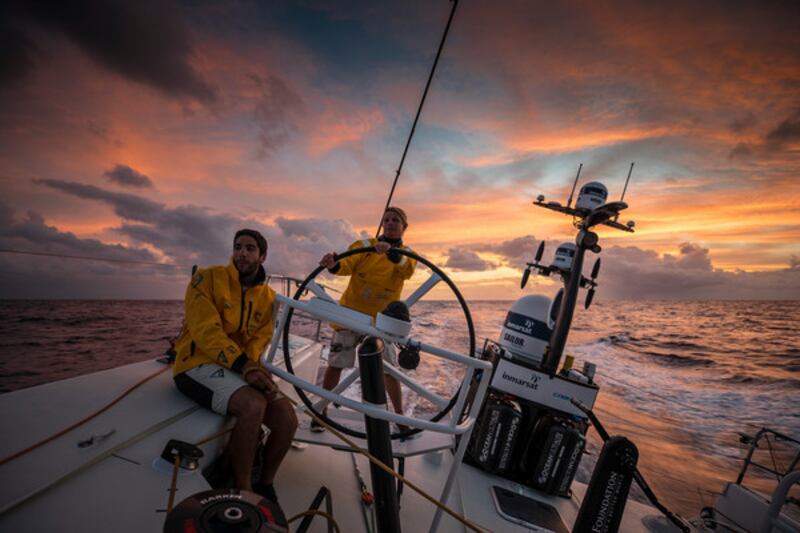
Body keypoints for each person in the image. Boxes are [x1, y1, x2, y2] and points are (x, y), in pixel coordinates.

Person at [172, 229, 297, 507]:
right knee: (253, 405)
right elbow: (206, 331)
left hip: (237, 368)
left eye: (250, 248)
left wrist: (251, 368)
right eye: (238, 247)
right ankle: (242, 489)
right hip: (195, 363)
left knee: (287, 420)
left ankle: (265, 483)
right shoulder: (206, 279)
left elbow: (259, 339)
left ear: (262, 256)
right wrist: (245, 367)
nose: (242, 253)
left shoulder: (268, 298)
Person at [314, 207, 417, 431]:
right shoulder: (363, 247)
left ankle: (399, 419)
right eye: (386, 220)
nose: (390, 224)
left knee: (389, 370)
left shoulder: (407, 254)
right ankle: (321, 411)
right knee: (336, 364)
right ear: (381, 224)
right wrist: (334, 264)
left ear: (404, 227)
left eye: (395, 221)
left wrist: (390, 252)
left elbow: (406, 269)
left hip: (381, 322)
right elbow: (346, 265)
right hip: (350, 316)